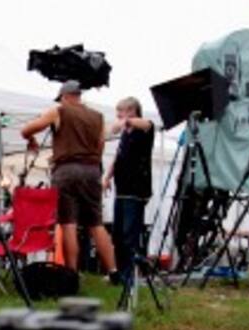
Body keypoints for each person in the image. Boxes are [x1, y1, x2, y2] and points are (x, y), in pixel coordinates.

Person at [21, 80, 118, 280]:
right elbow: (100, 147)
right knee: (96, 223)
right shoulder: (98, 117)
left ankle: (72, 273)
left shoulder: (60, 110)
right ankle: (113, 272)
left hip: (66, 171)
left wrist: (31, 140)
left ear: (64, 96)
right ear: (79, 96)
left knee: (68, 223)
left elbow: (26, 130)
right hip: (92, 170)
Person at [103, 97, 155, 283]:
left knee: (129, 234)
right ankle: (120, 273)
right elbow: (118, 157)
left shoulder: (145, 128)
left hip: (136, 190)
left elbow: (148, 124)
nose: (118, 118)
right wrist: (107, 177)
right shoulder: (127, 133)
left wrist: (125, 122)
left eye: (121, 113)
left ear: (132, 111)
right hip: (122, 189)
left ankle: (130, 275)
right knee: (117, 234)